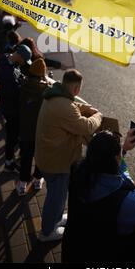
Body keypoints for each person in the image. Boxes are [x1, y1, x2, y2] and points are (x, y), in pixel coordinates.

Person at [62, 129, 135, 263]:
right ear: (115, 158)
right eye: (119, 151)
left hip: (73, 250)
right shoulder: (126, 203)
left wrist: (123, 150)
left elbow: (106, 168)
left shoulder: (77, 172)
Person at [35, 69, 103, 241]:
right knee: (56, 197)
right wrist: (98, 116)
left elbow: (70, 106)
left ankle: (56, 219)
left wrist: (84, 107)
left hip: (49, 156)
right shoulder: (63, 105)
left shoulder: (55, 94)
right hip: (56, 162)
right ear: (76, 89)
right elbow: (86, 126)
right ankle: (47, 231)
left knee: (57, 194)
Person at [0, 44, 32, 172]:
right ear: (20, 56)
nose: (23, 63)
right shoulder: (7, 71)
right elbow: (13, 92)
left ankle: (9, 160)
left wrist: (22, 79)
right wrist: (24, 87)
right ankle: (9, 163)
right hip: (11, 109)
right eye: (24, 60)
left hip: (9, 106)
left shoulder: (6, 59)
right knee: (12, 136)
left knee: (13, 135)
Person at [16, 58, 49, 196]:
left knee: (26, 156)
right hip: (41, 130)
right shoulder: (46, 90)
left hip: (25, 129)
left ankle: (22, 184)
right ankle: (37, 180)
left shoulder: (22, 85)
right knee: (41, 156)